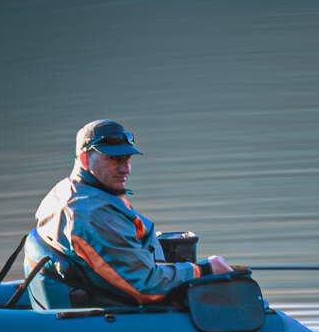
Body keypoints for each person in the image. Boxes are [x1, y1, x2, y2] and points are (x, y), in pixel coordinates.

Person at [24, 119, 232, 310]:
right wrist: (204, 270)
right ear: (84, 159)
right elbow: (145, 287)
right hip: (114, 314)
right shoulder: (93, 215)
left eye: (127, 158)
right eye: (114, 159)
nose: (125, 169)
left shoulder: (66, 191)